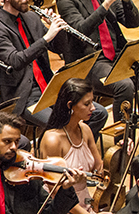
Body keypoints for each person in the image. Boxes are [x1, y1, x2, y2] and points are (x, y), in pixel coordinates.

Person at [0, 0, 107, 135]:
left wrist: (58, 30)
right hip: (25, 96)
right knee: (61, 125)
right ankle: (64, 152)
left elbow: (58, 48)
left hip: (50, 87)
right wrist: (46, 38)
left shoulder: (31, 17)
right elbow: (16, 61)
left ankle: (77, 149)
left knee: (99, 113)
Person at [56, 0, 139, 122]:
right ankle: (123, 142)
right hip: (91, 62)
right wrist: (107, 3)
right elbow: (80, 30)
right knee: (124, 85)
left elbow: (133, 23)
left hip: (117, 55)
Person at [0, 112, 84, 214]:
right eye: (7, 141)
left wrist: (65, 189)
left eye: (16, 141)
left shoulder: (26, 170)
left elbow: (49, 212)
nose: (14, 147)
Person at [40, 79, 105, 214]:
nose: (93, 108)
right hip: (61, 207)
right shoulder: (52, 140)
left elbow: (99, 168)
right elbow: (55, 192)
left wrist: (121, 151)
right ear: (70, 105)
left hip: (84, 202)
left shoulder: (85, 129)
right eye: (87, 104)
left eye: (92, 102)